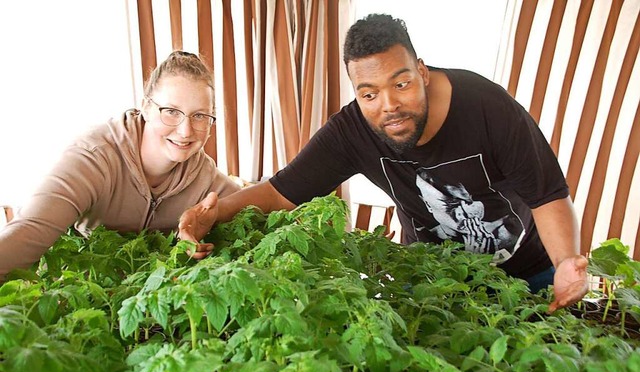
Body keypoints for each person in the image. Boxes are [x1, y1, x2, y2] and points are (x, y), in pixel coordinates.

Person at [178, 14, 588, 313]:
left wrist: (566, 263)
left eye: (401, 83)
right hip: (435, 282)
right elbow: (280, 191)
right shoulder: (351, 131)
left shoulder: (488, 108)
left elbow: (547, 194)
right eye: (368, 93)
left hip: (530, 272)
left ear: (422, 71)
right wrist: (209, 216)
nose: (389, 106)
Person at [0, 51, 240, 282]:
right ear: (146, 107)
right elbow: (30, 230)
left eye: (199, 116)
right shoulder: (95, 158)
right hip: (80, 299)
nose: (185, 130)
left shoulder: (204, 175)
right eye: (171, 111)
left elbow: (258, 205)